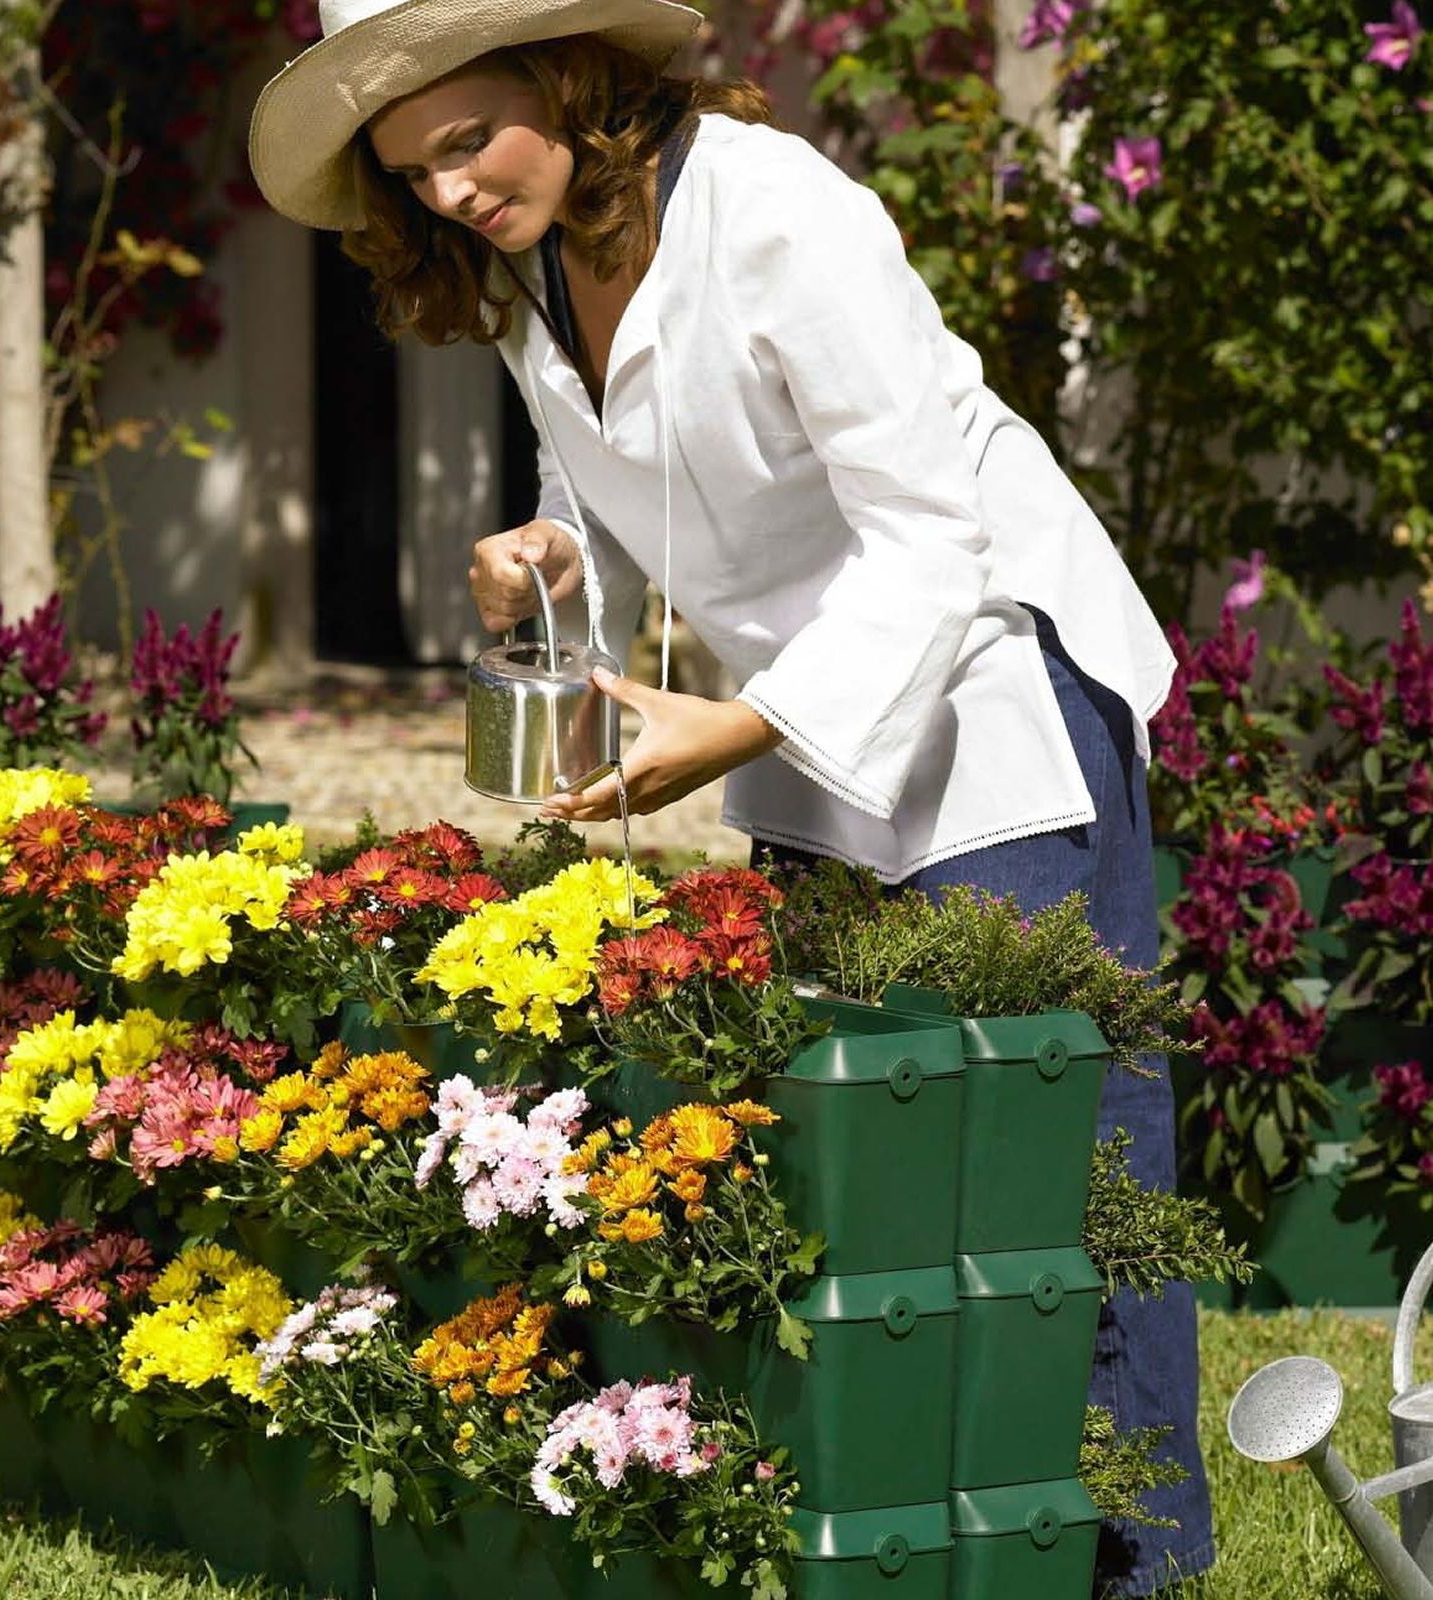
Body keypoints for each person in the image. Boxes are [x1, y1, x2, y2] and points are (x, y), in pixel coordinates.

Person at [249, 2, 1211, 1591]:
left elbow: (928, 532)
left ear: (562, 79)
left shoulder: (781, 214)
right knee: (877, 1173)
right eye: (411, 173)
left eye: (465, 142)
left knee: (1061, 1162)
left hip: (989, 703)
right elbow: (629, 487)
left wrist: (745, 722)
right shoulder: (530, 276)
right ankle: (913, 1539)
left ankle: (1132, 1560)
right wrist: (555, 556)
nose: (449, 196)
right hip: (791, 735)